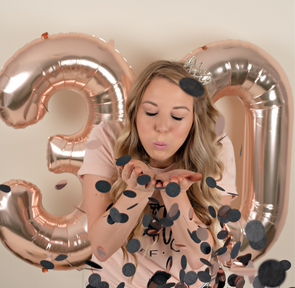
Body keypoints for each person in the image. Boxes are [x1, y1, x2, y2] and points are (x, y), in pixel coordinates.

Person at [78, 60, 237, 288]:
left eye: (178, 117)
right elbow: (101, 249)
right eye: (151, 112)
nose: (162, 127)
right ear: (134, 112)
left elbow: (199, 258)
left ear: (194, 120)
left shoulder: (216, 148)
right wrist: (137, 192)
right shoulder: (107, 138)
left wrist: (176, 194)